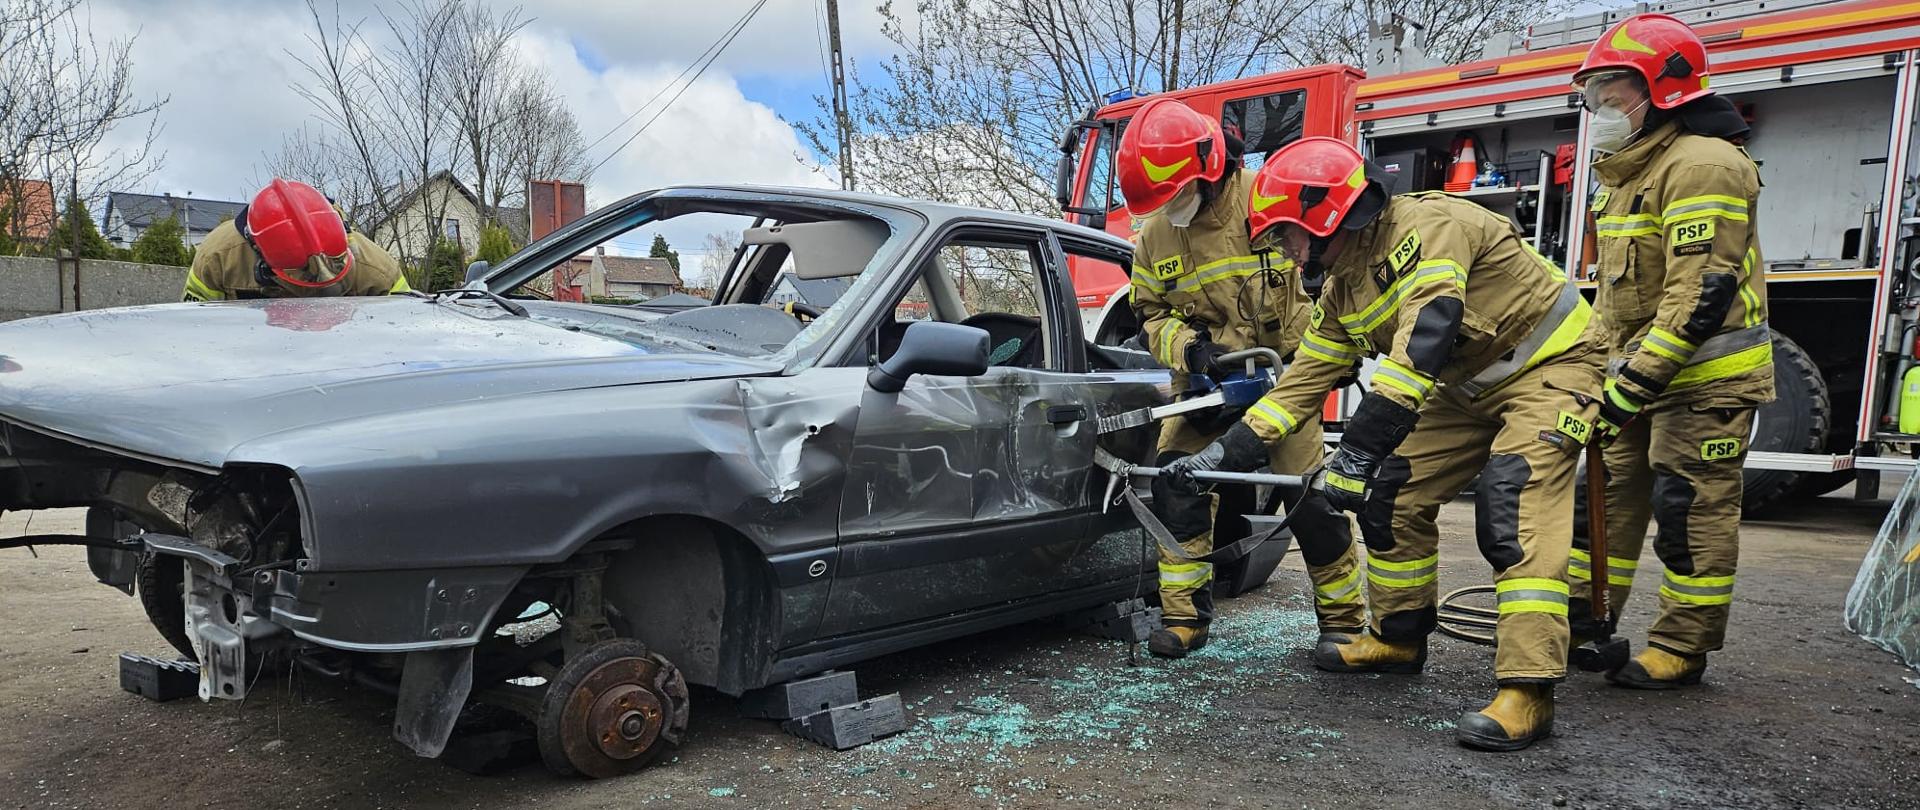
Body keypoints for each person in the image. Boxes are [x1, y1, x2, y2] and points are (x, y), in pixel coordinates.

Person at [1165, 136, 1606, 750]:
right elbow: (1299, 388)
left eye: (1288, 236)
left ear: (1323, 216)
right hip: (1464, 388)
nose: (1287, 255)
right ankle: (1399, 637)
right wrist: (1218, 457)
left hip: (1552, 368)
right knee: (1391, 493)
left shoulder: (1428, 226)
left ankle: (1528, 688)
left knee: (1513, 505)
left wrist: (1355, 454)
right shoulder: (1342, 287)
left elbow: (1427, 335)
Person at [1119, 97, 1365, 659]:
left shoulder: (1268, 199)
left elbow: (1331, 280)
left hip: (1284, 381)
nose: (1168, 208)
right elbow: (1150, 317)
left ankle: (1344, 623)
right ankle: (1184, 621)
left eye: (1175, 194)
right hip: (1207, 384)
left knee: (1311, 501)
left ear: (1209, 169)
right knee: (1173, 486)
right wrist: (1191, 350)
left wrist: (1337, 351)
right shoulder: (1155, 236)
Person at [1571, 13, 1772, 689]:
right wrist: (1595, 372)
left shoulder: (1703, 164)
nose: (1600, 108)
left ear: (1664, 90)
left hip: (1705, 379)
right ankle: (1588, 619)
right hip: (1638, 372)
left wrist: (1634, 384)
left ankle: (1682, 647)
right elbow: (1615, 298)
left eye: (1612, 91)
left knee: (1690, 509)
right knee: (1604, 497)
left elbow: (1699, 296)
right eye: (1594, 93)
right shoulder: (1626, 174)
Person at [182, 178, 411, 301]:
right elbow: (199, 330)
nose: (325, 280)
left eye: (335, 263)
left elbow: (401, 336)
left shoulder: (379, 270)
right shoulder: (218, 258)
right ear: (262, 258)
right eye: (306, 272)